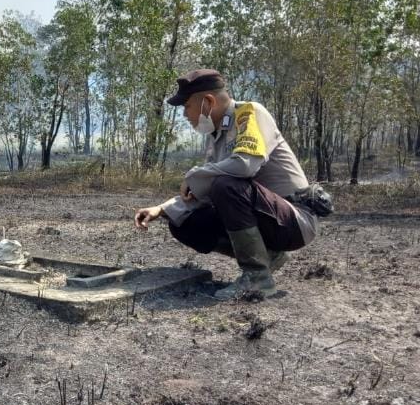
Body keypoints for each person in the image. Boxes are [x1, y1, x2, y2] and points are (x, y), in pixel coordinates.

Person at [134, 69, 319, 300]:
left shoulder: (248, 113)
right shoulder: (217, 137)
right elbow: (206, 189)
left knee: (225, 185)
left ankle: (257, 278)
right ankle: (268, 256)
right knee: (184, 223)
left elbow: (245, 166)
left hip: (294, 221)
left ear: (208, 101)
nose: (184, 115)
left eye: (187, 106)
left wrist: (194, 175)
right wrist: (162, 208)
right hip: (268, 218)